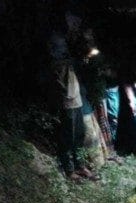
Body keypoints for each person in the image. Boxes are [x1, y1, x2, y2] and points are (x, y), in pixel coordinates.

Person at [48, 12, 98, 182]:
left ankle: (79, 165)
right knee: (68, 132)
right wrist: (78, 59)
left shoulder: (70, 39)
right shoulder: (57, 39)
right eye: (74, 22)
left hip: (74, 89)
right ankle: (69, 170)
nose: (76, 25)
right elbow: (56, 65)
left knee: (80, 131)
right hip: (65, 91)